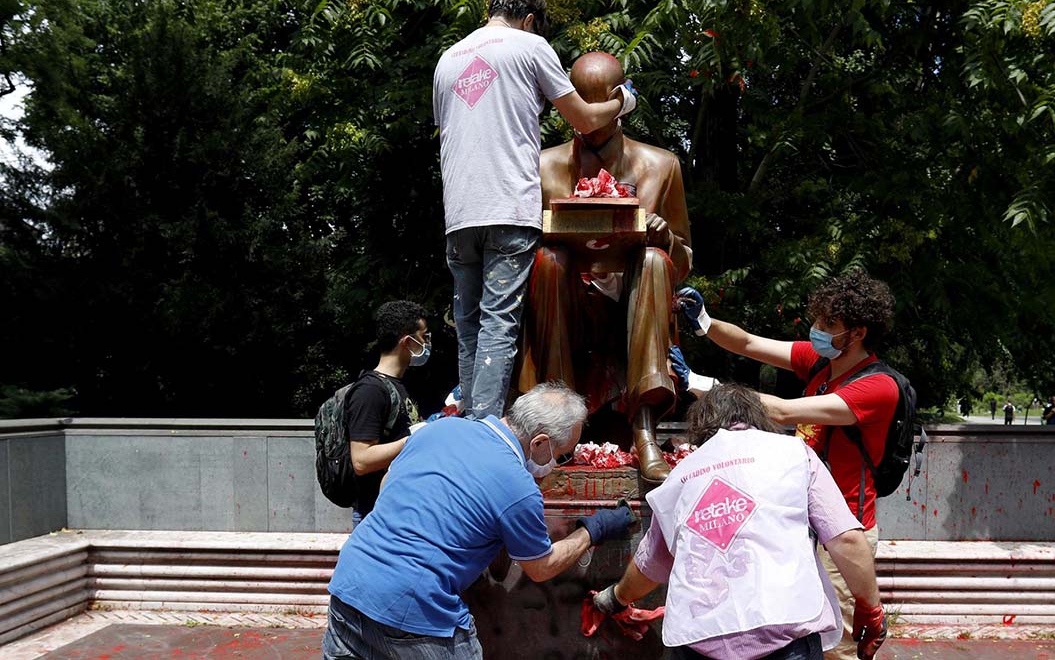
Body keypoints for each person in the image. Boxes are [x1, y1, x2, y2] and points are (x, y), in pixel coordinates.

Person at [433, 0, 636, 419]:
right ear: (529, 20)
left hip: (460, 213)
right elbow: (582, 116)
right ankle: (482, 426)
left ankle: (468, 418)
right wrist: (621, 102)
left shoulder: (447, 60)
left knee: (468, 326)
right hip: (507, 207)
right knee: (498, 324)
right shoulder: (530, 45)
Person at [671, 270, 899, 658]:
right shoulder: (819, 363)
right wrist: (704, 323)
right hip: (797, 524)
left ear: (857, 333)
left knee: (836, 648)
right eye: (818, 319)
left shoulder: (877, 387)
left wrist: (700, 383)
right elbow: (747, 342)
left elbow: (784, 410)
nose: (817, 330)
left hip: (842, 528)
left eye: (829, 324)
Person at [323, 382, 636, 659]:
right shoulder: (517, 485)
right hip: (415, 608)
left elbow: (388, 480)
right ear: (540, 443)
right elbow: (541, 567)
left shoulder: (441, 429)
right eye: (562, 454)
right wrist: (592, 530)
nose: (556, 465)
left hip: (350, 583)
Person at [592, 383, 887, 660]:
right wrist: (870, 607)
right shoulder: (793, 454)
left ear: (701, 427)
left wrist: (614, 599)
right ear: (757, 417)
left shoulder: (681, 476)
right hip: (785, 632)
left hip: (699, 642)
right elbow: (845, 538)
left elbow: (651, 565)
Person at [520, 51, 693, 483]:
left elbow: (685, 262)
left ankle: (645, 428)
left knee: (655, 260)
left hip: (636, 308)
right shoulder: (542, 166)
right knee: (548, 260)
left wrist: (665, 237)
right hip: (566, 306)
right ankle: (555, 422)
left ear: (619, 102)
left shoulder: (661, 165)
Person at [345, 300, 426, 526]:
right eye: (424, 336)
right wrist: (418, 439)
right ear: (407, 341)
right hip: (377, 517)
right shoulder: (370, 390)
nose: (427, 343)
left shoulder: (399, 387)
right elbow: (361, 460)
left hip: (401, 513)